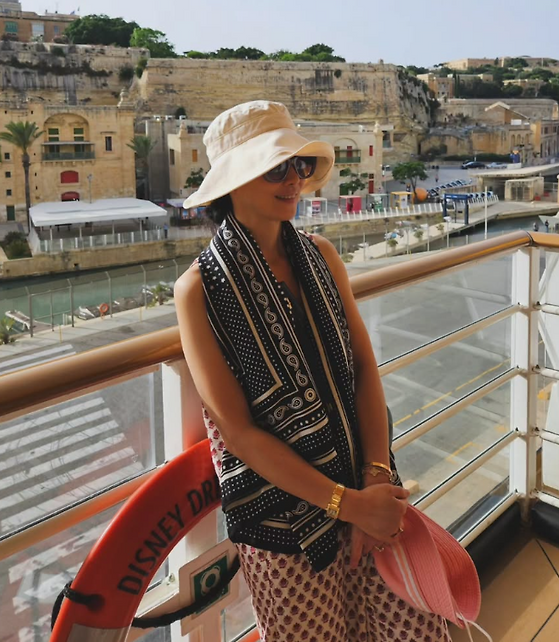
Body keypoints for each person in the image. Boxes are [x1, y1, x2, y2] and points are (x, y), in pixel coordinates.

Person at [174, 101, 451, 642]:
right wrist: (348, 506)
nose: (294, 180)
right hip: (284, 527)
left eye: (299, 165)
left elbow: (363, 369)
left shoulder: (321, 255)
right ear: (234, 182)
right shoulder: (200, 290)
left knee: (410, 627)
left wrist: (376, 480)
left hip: (368, 487)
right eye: (276, 168)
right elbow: (238, 433)